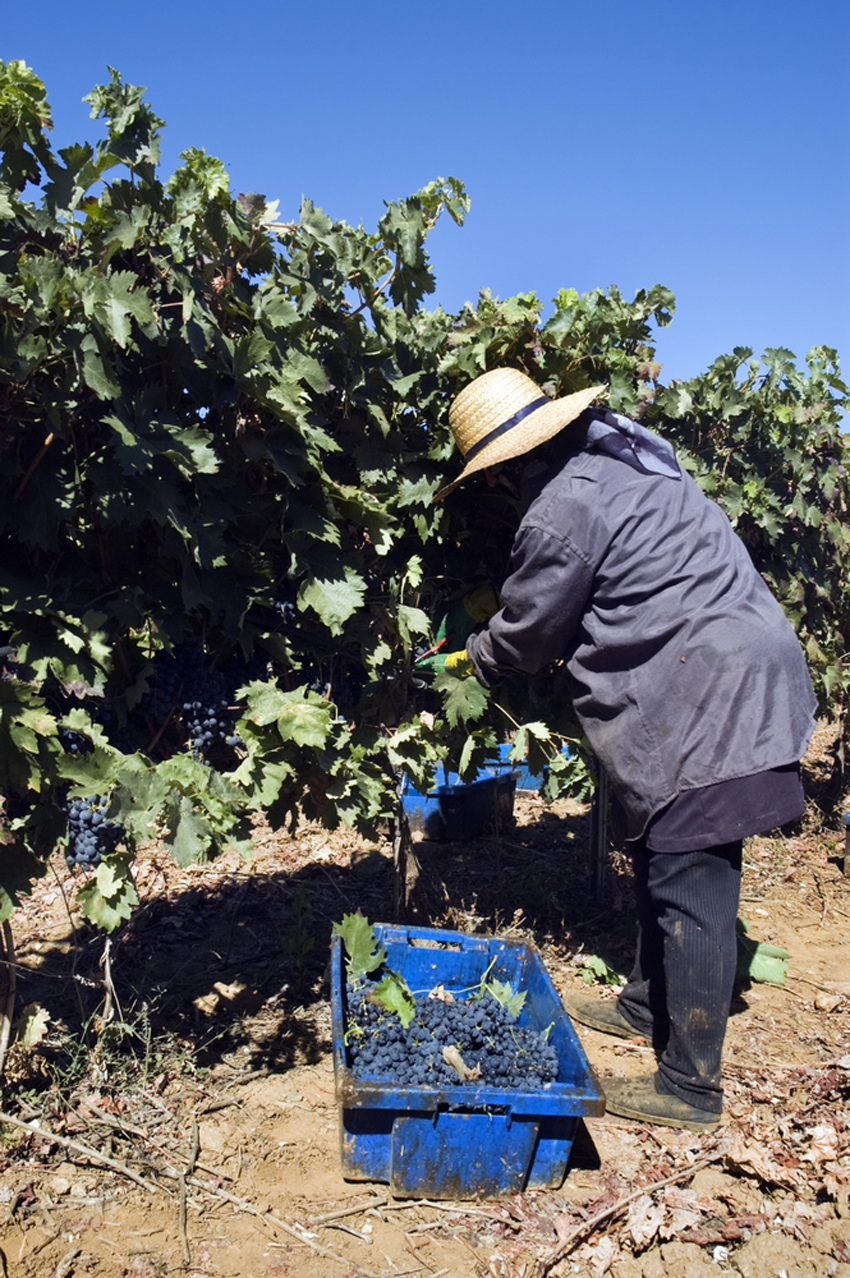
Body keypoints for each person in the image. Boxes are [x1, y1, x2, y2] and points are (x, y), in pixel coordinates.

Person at [434, 366, 818, 1132]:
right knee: (659, 848)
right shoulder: (629, 455)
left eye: (497, 478)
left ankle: (690, 1087)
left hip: (710, 688)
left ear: (511, 464)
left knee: (693, 877)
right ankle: (646, 1006)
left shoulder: (561, 510)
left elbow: (531, 633)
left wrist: (473, 655)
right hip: (730, 665)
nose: (501, 492)